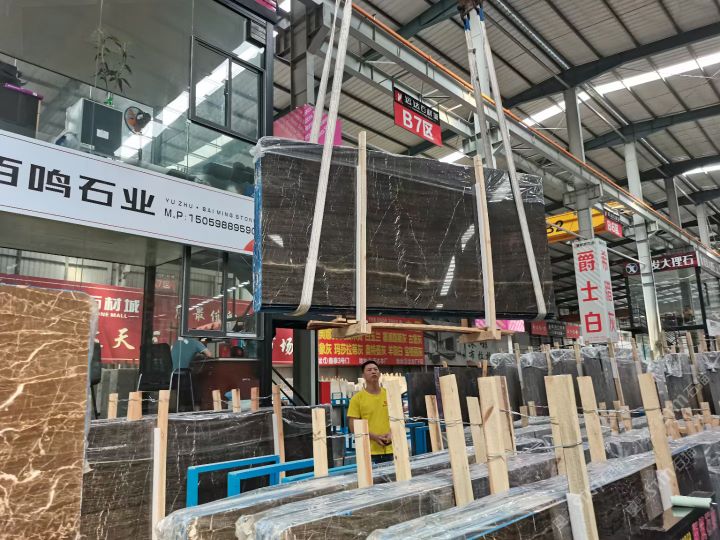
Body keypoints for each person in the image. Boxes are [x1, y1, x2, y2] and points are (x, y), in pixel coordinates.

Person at [347, 360, 393, 464]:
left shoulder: (390, 395)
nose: (373, 371)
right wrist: (374, 437)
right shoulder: (357, 399)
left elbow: (399, 419)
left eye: (376, 369)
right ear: (363, 375)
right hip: (369, 451)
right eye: (369, 370)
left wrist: (391, 434)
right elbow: (353, 427)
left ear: (379, 374)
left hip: (392, 449)